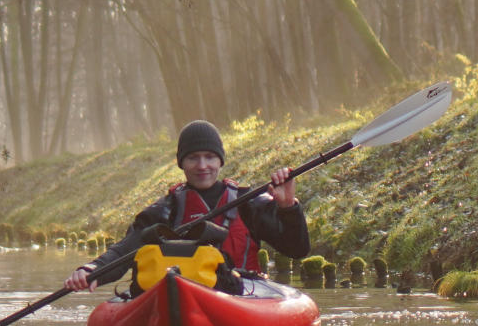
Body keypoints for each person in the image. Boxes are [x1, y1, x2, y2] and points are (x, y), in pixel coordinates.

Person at [64, 119, 310, 293]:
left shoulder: (250, 203)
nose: (203, 165)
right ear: (182, 164)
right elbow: (124, 252)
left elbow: (297, 249)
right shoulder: (165, 210)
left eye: (210, 157)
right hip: (180, 294)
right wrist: (92, 269)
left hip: (241, 293)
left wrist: (288, 207)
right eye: (193, 158)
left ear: (220, 161)